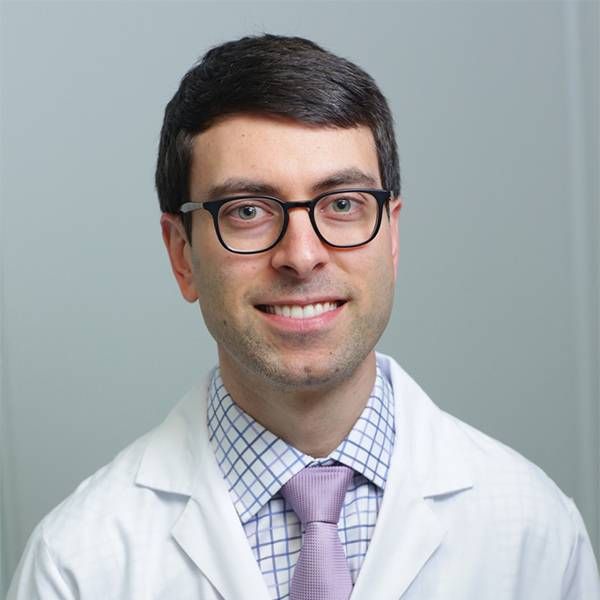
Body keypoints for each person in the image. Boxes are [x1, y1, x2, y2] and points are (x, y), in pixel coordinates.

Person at [7, 34, 599, 600]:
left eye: (342, 204)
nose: (301, 255)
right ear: (181, 254)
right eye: (247, 211)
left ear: (392, 236)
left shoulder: (535, 531)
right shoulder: (78, 565)